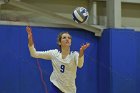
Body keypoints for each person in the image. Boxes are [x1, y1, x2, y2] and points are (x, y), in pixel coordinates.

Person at [26, 26, 90, 93]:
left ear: (70, 42)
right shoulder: (54, 53)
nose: (67, 39)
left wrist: (81, 52)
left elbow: (80, 65)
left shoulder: (74, 55)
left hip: (69, 90)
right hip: (56, 87)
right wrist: (30, 38)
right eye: (64, 38)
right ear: (59, 42)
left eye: (69, 38)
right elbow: (34, 54)